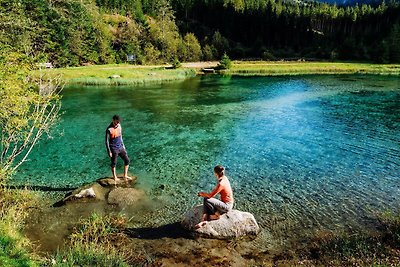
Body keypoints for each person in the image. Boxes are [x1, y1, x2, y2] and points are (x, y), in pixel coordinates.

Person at [105, 115, 131, 182]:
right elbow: (107, 141)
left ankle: (125, 175)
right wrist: (109, 151)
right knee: (114, 163)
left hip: (120, 147)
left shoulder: (119, 126)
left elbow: (121, 135)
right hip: (113, 148)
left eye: (118, 122)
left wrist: (123, 145)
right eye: (116, 122)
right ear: (113, 120)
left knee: (127, 160)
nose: (117, 123)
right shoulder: (109, 129)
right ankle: (115, 177)